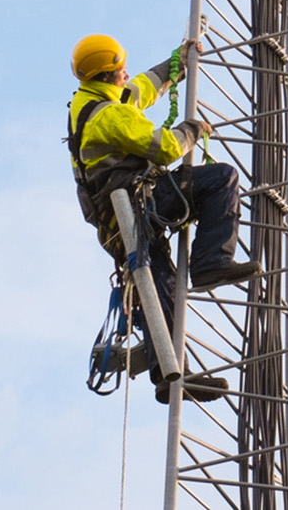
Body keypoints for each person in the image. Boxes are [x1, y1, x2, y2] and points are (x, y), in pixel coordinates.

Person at [67, 32, 259, 402]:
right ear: (109, 75)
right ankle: (211, 261)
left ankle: (169, 378)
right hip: (138, 206)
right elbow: (164, 148)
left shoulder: (91, 100)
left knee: (160, 292)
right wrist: (192, 129)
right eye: (121, 69)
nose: (126, 73)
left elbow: (139, 89)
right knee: (221, 178)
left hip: (122, 222)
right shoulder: (109, 116)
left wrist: (177, 64)